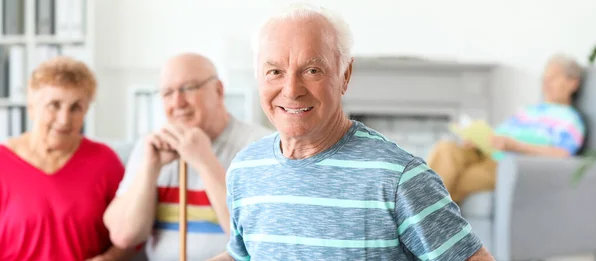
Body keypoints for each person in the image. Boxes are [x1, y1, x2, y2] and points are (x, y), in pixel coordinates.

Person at [210, 4, 494, 261]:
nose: (292, 90)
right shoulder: (246, 168)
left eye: (311, 70)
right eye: (275, 72)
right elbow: (242, 255)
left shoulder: (398, 177)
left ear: (344, 75)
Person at [103, 53, 273, 260]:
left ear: (219, 90)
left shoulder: (260, 146)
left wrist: (204, 161)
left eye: (189, 88)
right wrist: (150, 168)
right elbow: (124, 236)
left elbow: (259, 239)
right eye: (167, 93)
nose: (178, 102)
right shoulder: (150, 147)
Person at [0, 56, 130, 260]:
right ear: (32, 106)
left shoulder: (105, 161)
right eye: (54, 105)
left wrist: (110, 258)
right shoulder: (3, 162)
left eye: (76, 107)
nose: (64, 119)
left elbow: (133, 233)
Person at [427, 54, 586, 204]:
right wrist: (478, 140)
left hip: (505, 165)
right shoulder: (528, 111)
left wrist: (516, 146)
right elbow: (499, 134)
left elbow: (562, 154)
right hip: (483, 153)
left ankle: (411, 222)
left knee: (450, 180)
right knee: (445, 147)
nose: (546, 82)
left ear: (573, 83)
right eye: (546, 76)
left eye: (554, 77)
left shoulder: (570, 119)